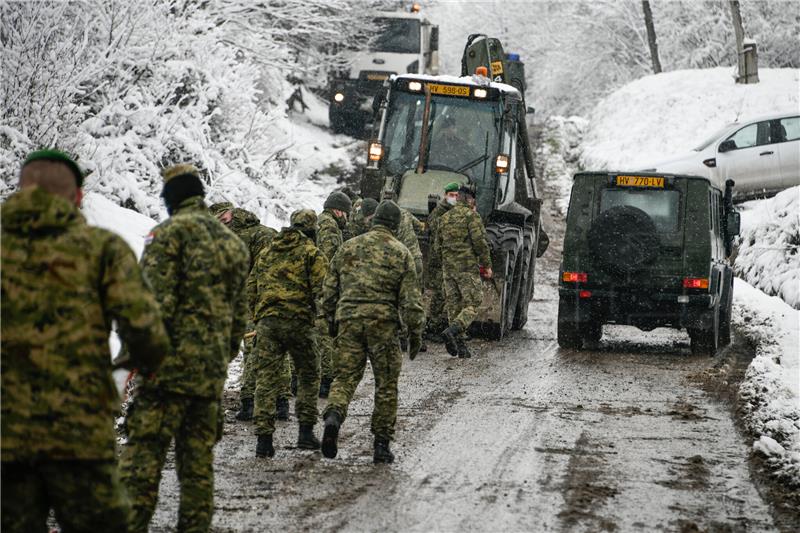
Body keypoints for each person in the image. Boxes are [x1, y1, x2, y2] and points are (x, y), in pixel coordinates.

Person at [1, 149, 169, 533]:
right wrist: (121, 374)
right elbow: (147, 335)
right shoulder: (102, 250)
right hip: (79, 426)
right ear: (78, 196)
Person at [120, 163, 249, 533]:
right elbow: (238, 318)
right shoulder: (232, 244)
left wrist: (134, 360)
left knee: (142, 466)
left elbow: (148, 306)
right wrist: (218, 358)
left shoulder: (165, 235)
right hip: (207, 377)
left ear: (171, 199)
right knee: (196, 470)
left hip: (163, 373)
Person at [320, 201, 425, 464]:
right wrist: (415, 335)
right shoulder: (402, 253)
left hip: (349, 322)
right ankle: (381, 444)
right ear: (396, 225)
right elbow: (411, 302)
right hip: (383, 326)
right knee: (386, 385)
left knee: (344, 378)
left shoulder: (349, 247)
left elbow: (329, 290)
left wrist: (332, 320)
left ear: (373, 220)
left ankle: (333, 414)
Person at [249, 209, 328, 457]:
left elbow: (251, 287)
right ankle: (305, 432)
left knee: (266, 379)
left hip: (268, 324)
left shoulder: (267, 251)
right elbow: (322, 290)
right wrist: (321, 318)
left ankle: (264, 440)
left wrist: (258, 316)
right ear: (312, 229)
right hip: (299, 323)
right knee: (308, 373)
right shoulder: (311, 253)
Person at [208, 202, 291, 422]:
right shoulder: (260, 233)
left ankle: (251, 402)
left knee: (255, 349)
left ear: (230, 214)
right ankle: (279, 402)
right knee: (274, 348)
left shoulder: (244, 238)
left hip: (258, 301)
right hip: (275, 299)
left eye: (221, 218)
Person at [435, 183, 492, 358]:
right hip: (466, 267)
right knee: (472, 303)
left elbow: (437, 247)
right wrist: (487, 265)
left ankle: (459, 347)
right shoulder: (471, 217)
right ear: (469, 199)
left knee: (454, 304)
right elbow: (480, 243)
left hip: (448, 268)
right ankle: (453, 331)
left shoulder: (444, 218)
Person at [316, 190, 352, 398]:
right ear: (338, 212)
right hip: (325, 287)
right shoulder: (329, 227)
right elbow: (330, 260)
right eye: (346, 213)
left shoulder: (321, 222)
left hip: (317, 285)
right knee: (327, 333)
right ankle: (326, 380)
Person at [425, 182, 459, 340]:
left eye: (457, 196)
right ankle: (432, 327)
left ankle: (437, 325)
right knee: (440, 292)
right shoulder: (439, 211)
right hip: (439, 259)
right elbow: (433, 227)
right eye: (452, 195)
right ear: (446, 195)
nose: (454, 198)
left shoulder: (457, 211)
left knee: (447, 293)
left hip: (450, 259)